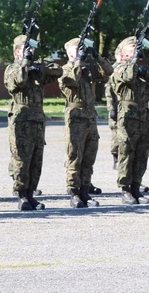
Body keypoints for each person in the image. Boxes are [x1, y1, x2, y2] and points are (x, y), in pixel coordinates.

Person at [4, 35, 63, 211]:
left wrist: (38, 66)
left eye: (31, 50)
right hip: (21, 120)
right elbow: (18, 81)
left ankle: (31, 193)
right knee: (22, 158)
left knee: (37, 159)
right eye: (26, 49)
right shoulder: (12, 69)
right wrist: (25, 64)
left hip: (37, 120)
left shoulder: (36, 68)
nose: (30, 52)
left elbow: (58, 71)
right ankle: (21, 194)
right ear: (16, 52)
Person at [59, 37, 113, 208]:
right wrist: (78, 61)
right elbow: (72, 82)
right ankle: (74, 192)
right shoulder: (65, 69)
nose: (80, 51)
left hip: (90, 116)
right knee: (75, 155)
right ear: (69, 53)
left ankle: (85, 191)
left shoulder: (88, 68)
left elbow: (108, 72)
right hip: (75, 117)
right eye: (77, 49)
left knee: (89, 156)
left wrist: (97, 57)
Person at [110, 37, 149, 205]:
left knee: (141, 153)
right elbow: (127, 77)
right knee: (127, 152)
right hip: (128, 114)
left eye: (136, 48)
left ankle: (136, 187)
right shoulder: (120, 68)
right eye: (132, 48)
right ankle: (125, 189)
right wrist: (135, 62)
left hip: (143, 114)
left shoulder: (141, 68)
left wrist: (146, 68)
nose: (135, 51)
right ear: (123, 52)